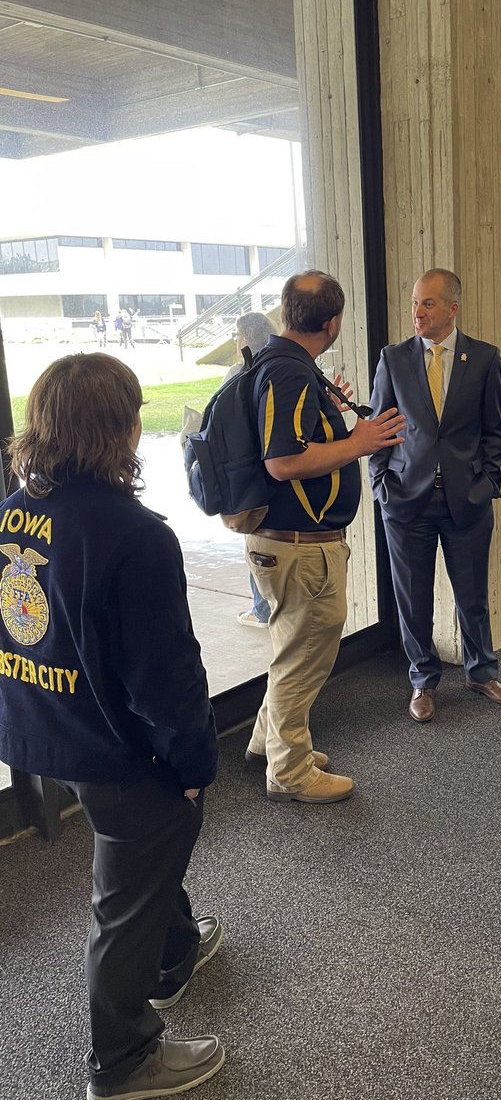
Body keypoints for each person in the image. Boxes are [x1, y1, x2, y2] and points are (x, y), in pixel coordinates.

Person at [0, 354, 223, 1099]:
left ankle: (174, 954)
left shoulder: (14, 507)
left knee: (147, 851)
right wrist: (194, 768)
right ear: (124, 428)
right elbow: (167, 684)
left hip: (40, 728)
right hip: (112, 749)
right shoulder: (135, 536)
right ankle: (122, 1062)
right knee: (127, 888)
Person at [243, 270, 406, 803]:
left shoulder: (280, 364)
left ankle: (271, 740)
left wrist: (335, 420)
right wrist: (359, 442)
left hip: (285, 542)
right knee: (305, 654)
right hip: (298, 545)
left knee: (292, 648)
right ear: (333, 322)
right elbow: (284, 460)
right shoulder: (288, 372)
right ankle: (289, 773)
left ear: (288, 310)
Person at [369, 268, 501, 723]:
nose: (417, 312)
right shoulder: (393, 359)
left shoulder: (485, 358)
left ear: (452, 308)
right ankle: (422, 680)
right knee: (412, 597)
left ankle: (481, 672)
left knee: (472, 593)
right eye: (415, 302)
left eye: (428, 303)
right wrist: (382, 486)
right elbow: (380, 430)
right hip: (406, 501)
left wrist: (486, 483)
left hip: (466, 500)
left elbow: (496, 432)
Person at [226, 311, 278, 629]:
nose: (235, 340)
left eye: (237, 334)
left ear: (247, 337)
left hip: (248, 470)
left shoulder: (239, 370)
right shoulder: (280, 365)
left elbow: (220, 419)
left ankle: (261, 608)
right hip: (278, 468)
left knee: (254, 536)